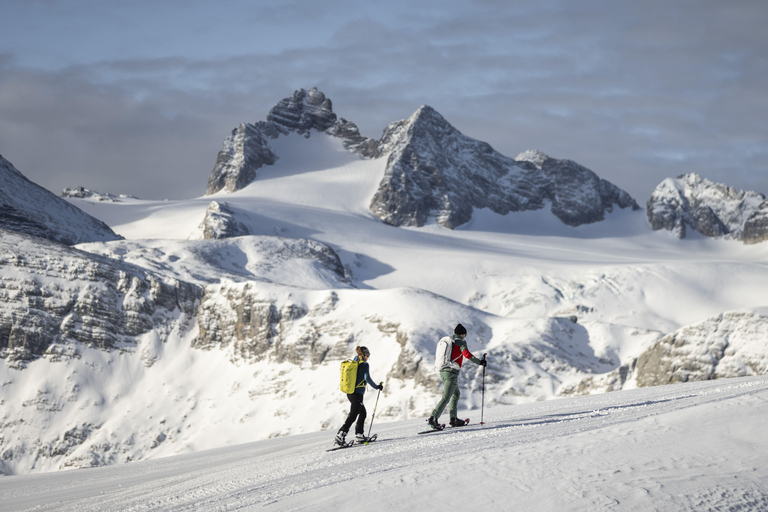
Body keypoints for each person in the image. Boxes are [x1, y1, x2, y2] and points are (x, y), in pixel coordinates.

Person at [428, 323, 486, 429]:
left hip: (442, 371)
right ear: (463, 334)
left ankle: (454, 419)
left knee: (456, 394)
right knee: (446, 397)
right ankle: (433, 418)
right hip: (451, 373)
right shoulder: (460, 342)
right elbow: (467, 354)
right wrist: (480, 362)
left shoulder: (449, 341)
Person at [335, 346, 384, 445]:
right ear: (365, 355)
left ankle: (359, 435)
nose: (368, 357)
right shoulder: (364, 365)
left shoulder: (355, 361)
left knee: (362, 413)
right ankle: (340, 435)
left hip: (350, 393)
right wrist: (377, 387)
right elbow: (367, 377)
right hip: (357, 394)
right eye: (368, 355)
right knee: (353, 415)